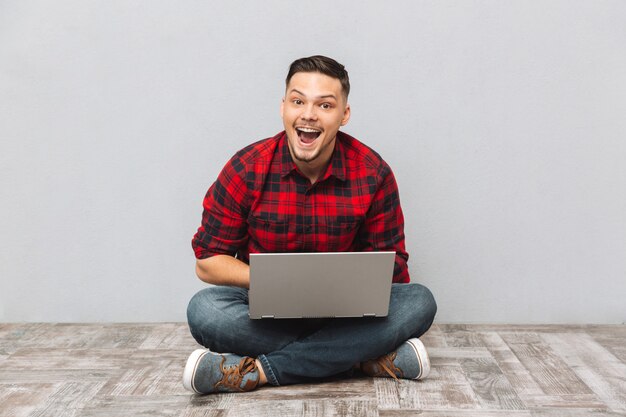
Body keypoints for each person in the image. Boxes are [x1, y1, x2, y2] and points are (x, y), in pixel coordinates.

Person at [184, 55, 437, 394]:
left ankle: (255, 372)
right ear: (283, 107)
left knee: (419, 301)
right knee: (204, 310)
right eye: (298, 101)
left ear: (344, 115)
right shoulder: (246, 167)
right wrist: (275, 280)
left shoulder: (373, 172)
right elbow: (207, 262)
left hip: (347, 316)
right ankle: (361, 358)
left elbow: (394, 271)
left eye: (325, 105)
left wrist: (342, 286)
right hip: (265, 315)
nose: (308, 114)